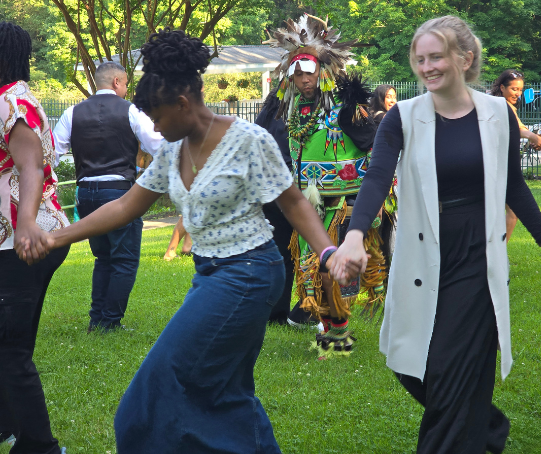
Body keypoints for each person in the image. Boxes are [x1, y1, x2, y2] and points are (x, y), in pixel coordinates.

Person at [17, 28, 341, 453]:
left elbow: (295, 202)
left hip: (250, 273)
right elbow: (126, 206)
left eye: (156, 115)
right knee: (226, 391)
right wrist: (57, 236)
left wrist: (329, 251)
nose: (152, 126)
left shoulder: (248, 140)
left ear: (183, 104)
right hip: (210, 274)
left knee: (151, 392)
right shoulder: (172, 149)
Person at [331, 15, 541, 453]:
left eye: (436, 57)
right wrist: (354, 236)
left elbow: (513, 187)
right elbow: (376, 179)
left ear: (465, 59)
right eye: (419, 58)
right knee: (409, 362)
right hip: (422, 249)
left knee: (450, 366)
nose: (426, 67)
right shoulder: (403, 117)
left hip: (476, 252)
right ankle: (484, 426)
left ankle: (460, 436)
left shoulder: (497, 113)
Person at [265, 14, 382, 344]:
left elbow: (371, 143)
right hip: (304, 205)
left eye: (310, 74)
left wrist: (374, 194)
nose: (304, 80)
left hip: (341, 204)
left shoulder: (342, 107)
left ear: (323, 72)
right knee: (309, 267)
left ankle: (336, 333)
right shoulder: (289, 109)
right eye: (298, 74)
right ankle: (327, 323)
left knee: (335, 267)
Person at [0, 21, 69, 454]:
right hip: (19, 238)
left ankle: (39, 446)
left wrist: (25, 223)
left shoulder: (11, 98)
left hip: (22, 240)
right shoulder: (14, 95)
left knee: (10, 347)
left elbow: (30, 166)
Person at [53, 62, 163, 333]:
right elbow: (158, 145)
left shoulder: (72, 112)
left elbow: (51, 153)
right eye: (125, 84)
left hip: (85, 193)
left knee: (103, 258)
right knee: (124, 260)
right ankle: (110, 323)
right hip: (118, 192)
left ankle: (97, 320)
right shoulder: (131, 111)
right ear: (116, 82)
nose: (126, 89)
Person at [254, 87, 295, 324]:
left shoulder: (270, 111)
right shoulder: (276, 110)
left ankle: (284, 311)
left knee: (285, 251)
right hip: (282, 187)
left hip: (277, 187)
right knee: (285, 250)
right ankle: (281, 311)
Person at [490, 69, 541, 242]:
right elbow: (514, 129)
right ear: (502, 88)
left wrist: (533, 137)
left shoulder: (507, 106)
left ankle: (497, 252)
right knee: (510, 212)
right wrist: (531, 136)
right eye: (514, 89)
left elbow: (519, 127)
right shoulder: (497, 106)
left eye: (520, 90)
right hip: (495, 168)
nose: (518, 94)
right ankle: (496, 252)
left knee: (511, 212)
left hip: (505, 169)